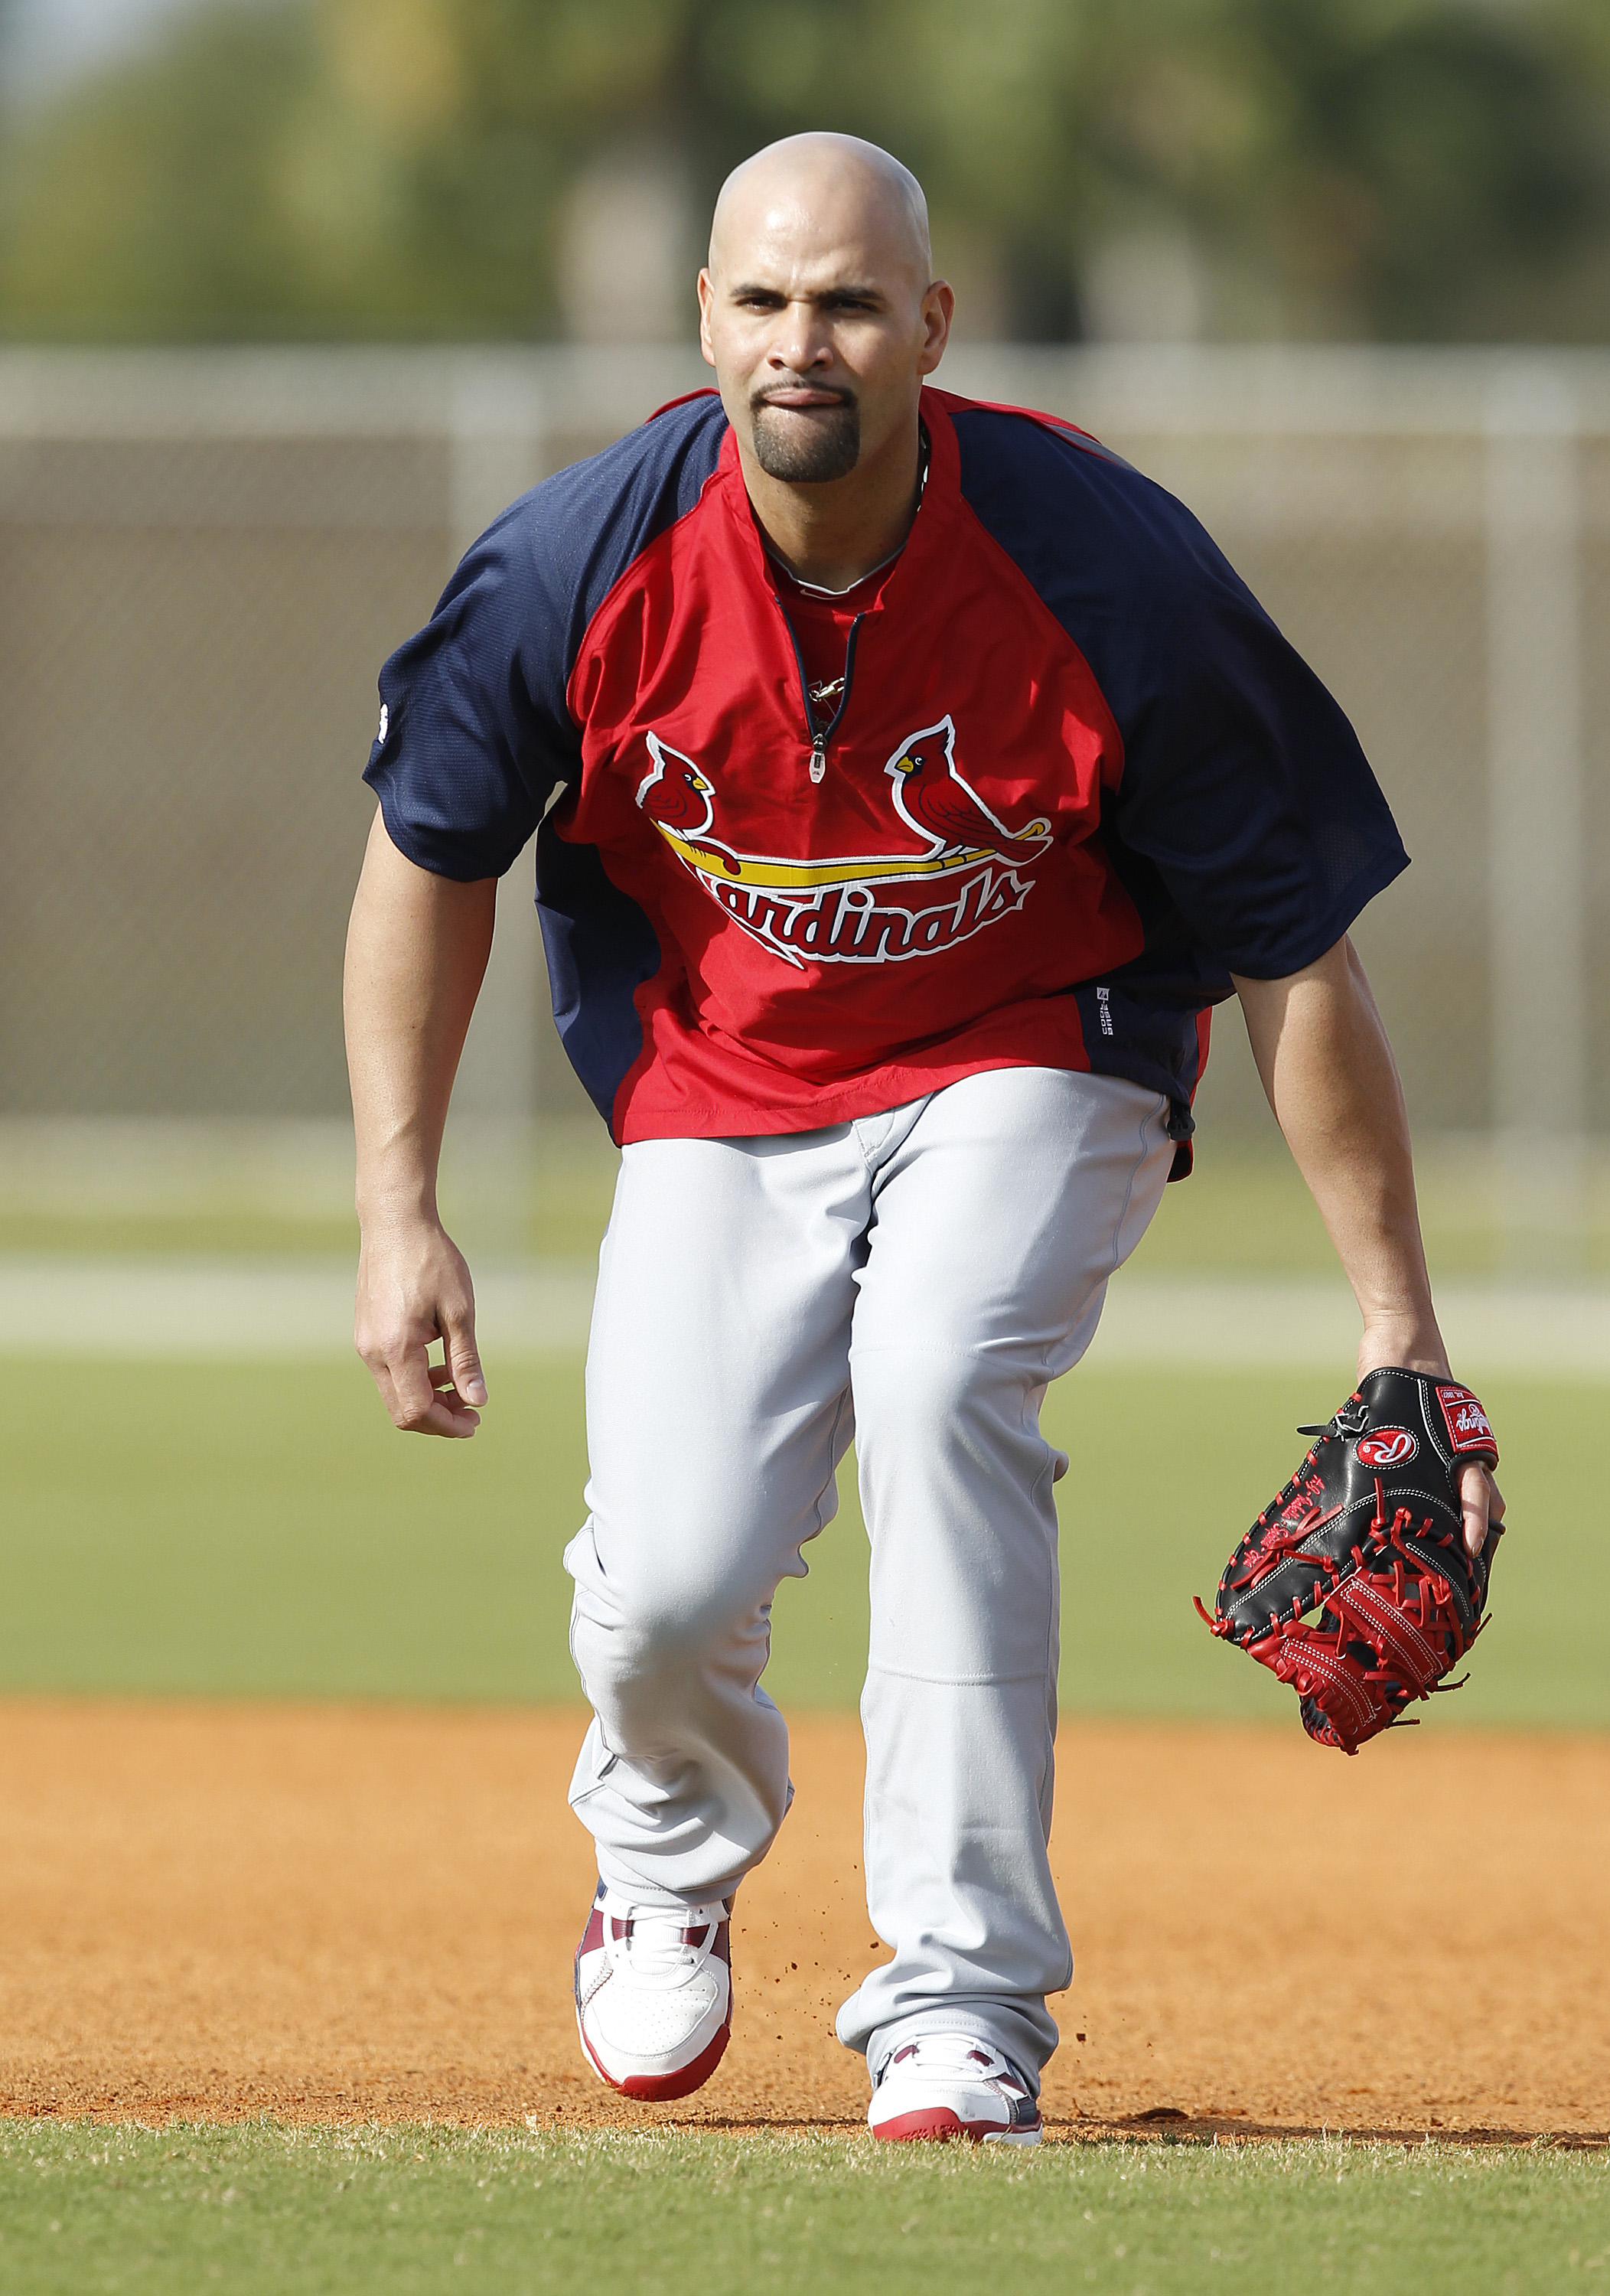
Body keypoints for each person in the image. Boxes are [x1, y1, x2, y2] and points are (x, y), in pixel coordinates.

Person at [343, 132, 1501, 2145]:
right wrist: (397, 1209)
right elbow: (424, 860)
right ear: (706, 318)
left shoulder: (1106, 570)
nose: (807, 341)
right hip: (719, 1079)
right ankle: (661, 1851)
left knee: (945, 1371)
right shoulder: (574, 564)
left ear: (931, 328)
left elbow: (1298, 960)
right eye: (768, 300)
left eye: (852, 302)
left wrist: (1400, 1324)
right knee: (673, 1574)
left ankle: (961, 2003)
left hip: (1042, 1046)